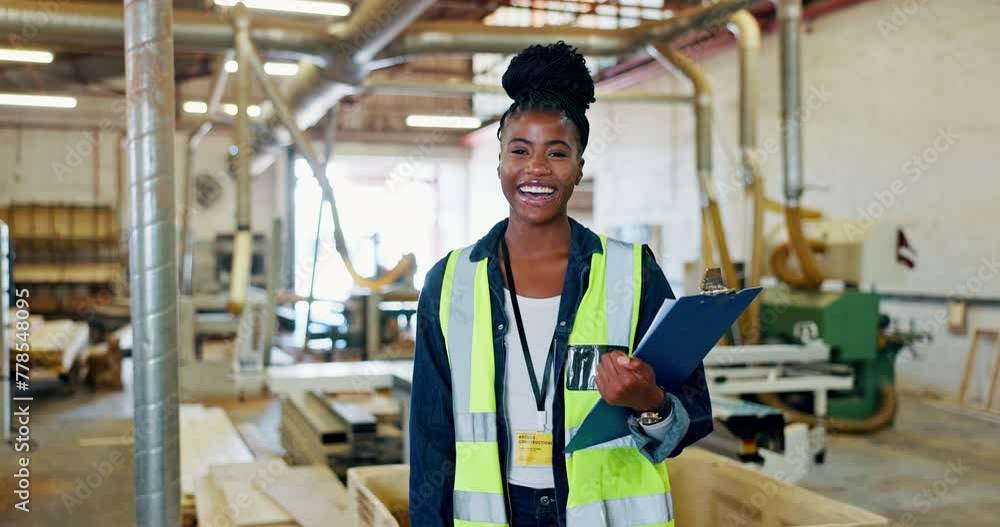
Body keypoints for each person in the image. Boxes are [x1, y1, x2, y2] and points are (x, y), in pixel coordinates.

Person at [409, 41, 713, 527]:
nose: (536, 168)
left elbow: (693, 415)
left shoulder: (633, 273)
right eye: (520, 150)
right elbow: (430, 435)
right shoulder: (450, 282)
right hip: (494, 514)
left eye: (557, 152)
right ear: (500, 163)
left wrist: (649, 403)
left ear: (578, 169)